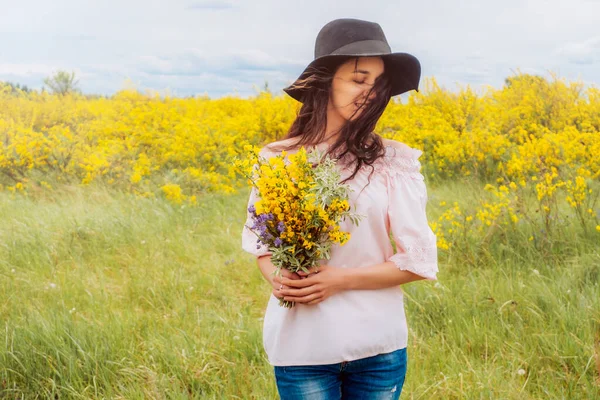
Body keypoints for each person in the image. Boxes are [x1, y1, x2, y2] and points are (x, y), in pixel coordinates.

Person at [241, 18, 438, 400]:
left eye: (378, 84)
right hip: (303, 345)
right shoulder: (277, 160)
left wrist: (338, 280)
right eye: (358, 79)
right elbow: (261, 246)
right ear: (326, 82)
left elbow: (418, 260)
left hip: (377, 346)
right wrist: (278, 279)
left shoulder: (393, 160)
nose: (369, 93)